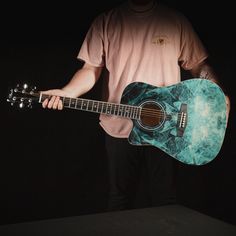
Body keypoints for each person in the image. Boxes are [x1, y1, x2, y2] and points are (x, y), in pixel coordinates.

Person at [41, 0, 231, 211]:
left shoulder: (175, 21)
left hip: (169, 131)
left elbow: (198, 64)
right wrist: (67, 93)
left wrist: (216, 90)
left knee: (165, 201)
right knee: (119, 200)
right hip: (119, 128)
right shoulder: (105, 22)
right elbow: (90, 69)